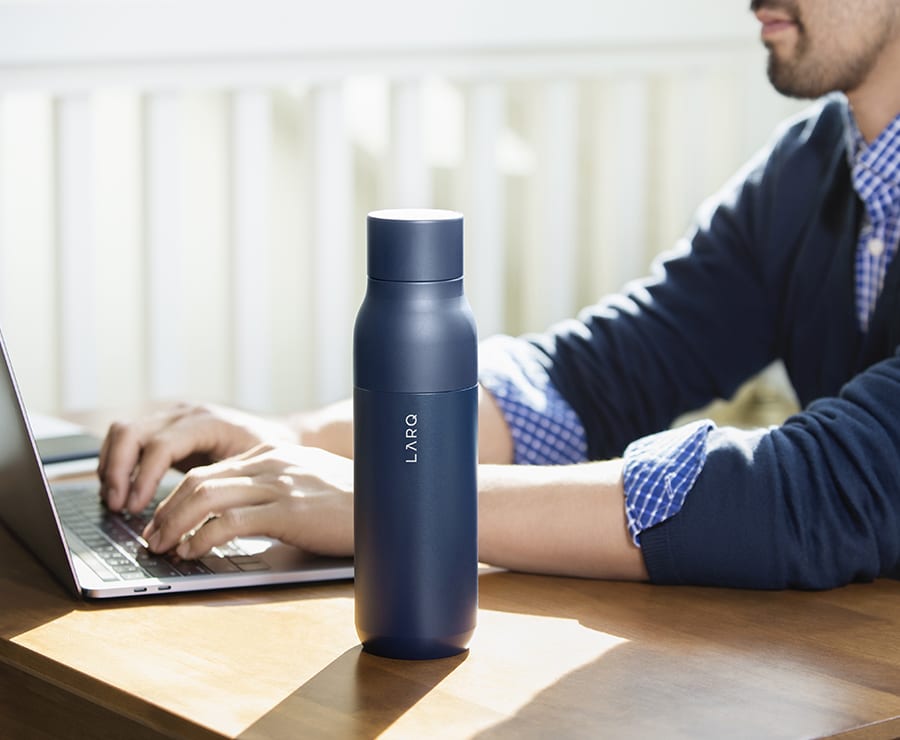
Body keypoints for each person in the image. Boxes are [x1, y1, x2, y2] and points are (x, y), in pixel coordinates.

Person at [98, 0, 900, 589]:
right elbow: (595, 379)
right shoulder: (809, 168)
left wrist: (404, 502)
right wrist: (296, 437)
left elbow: (820, 492)